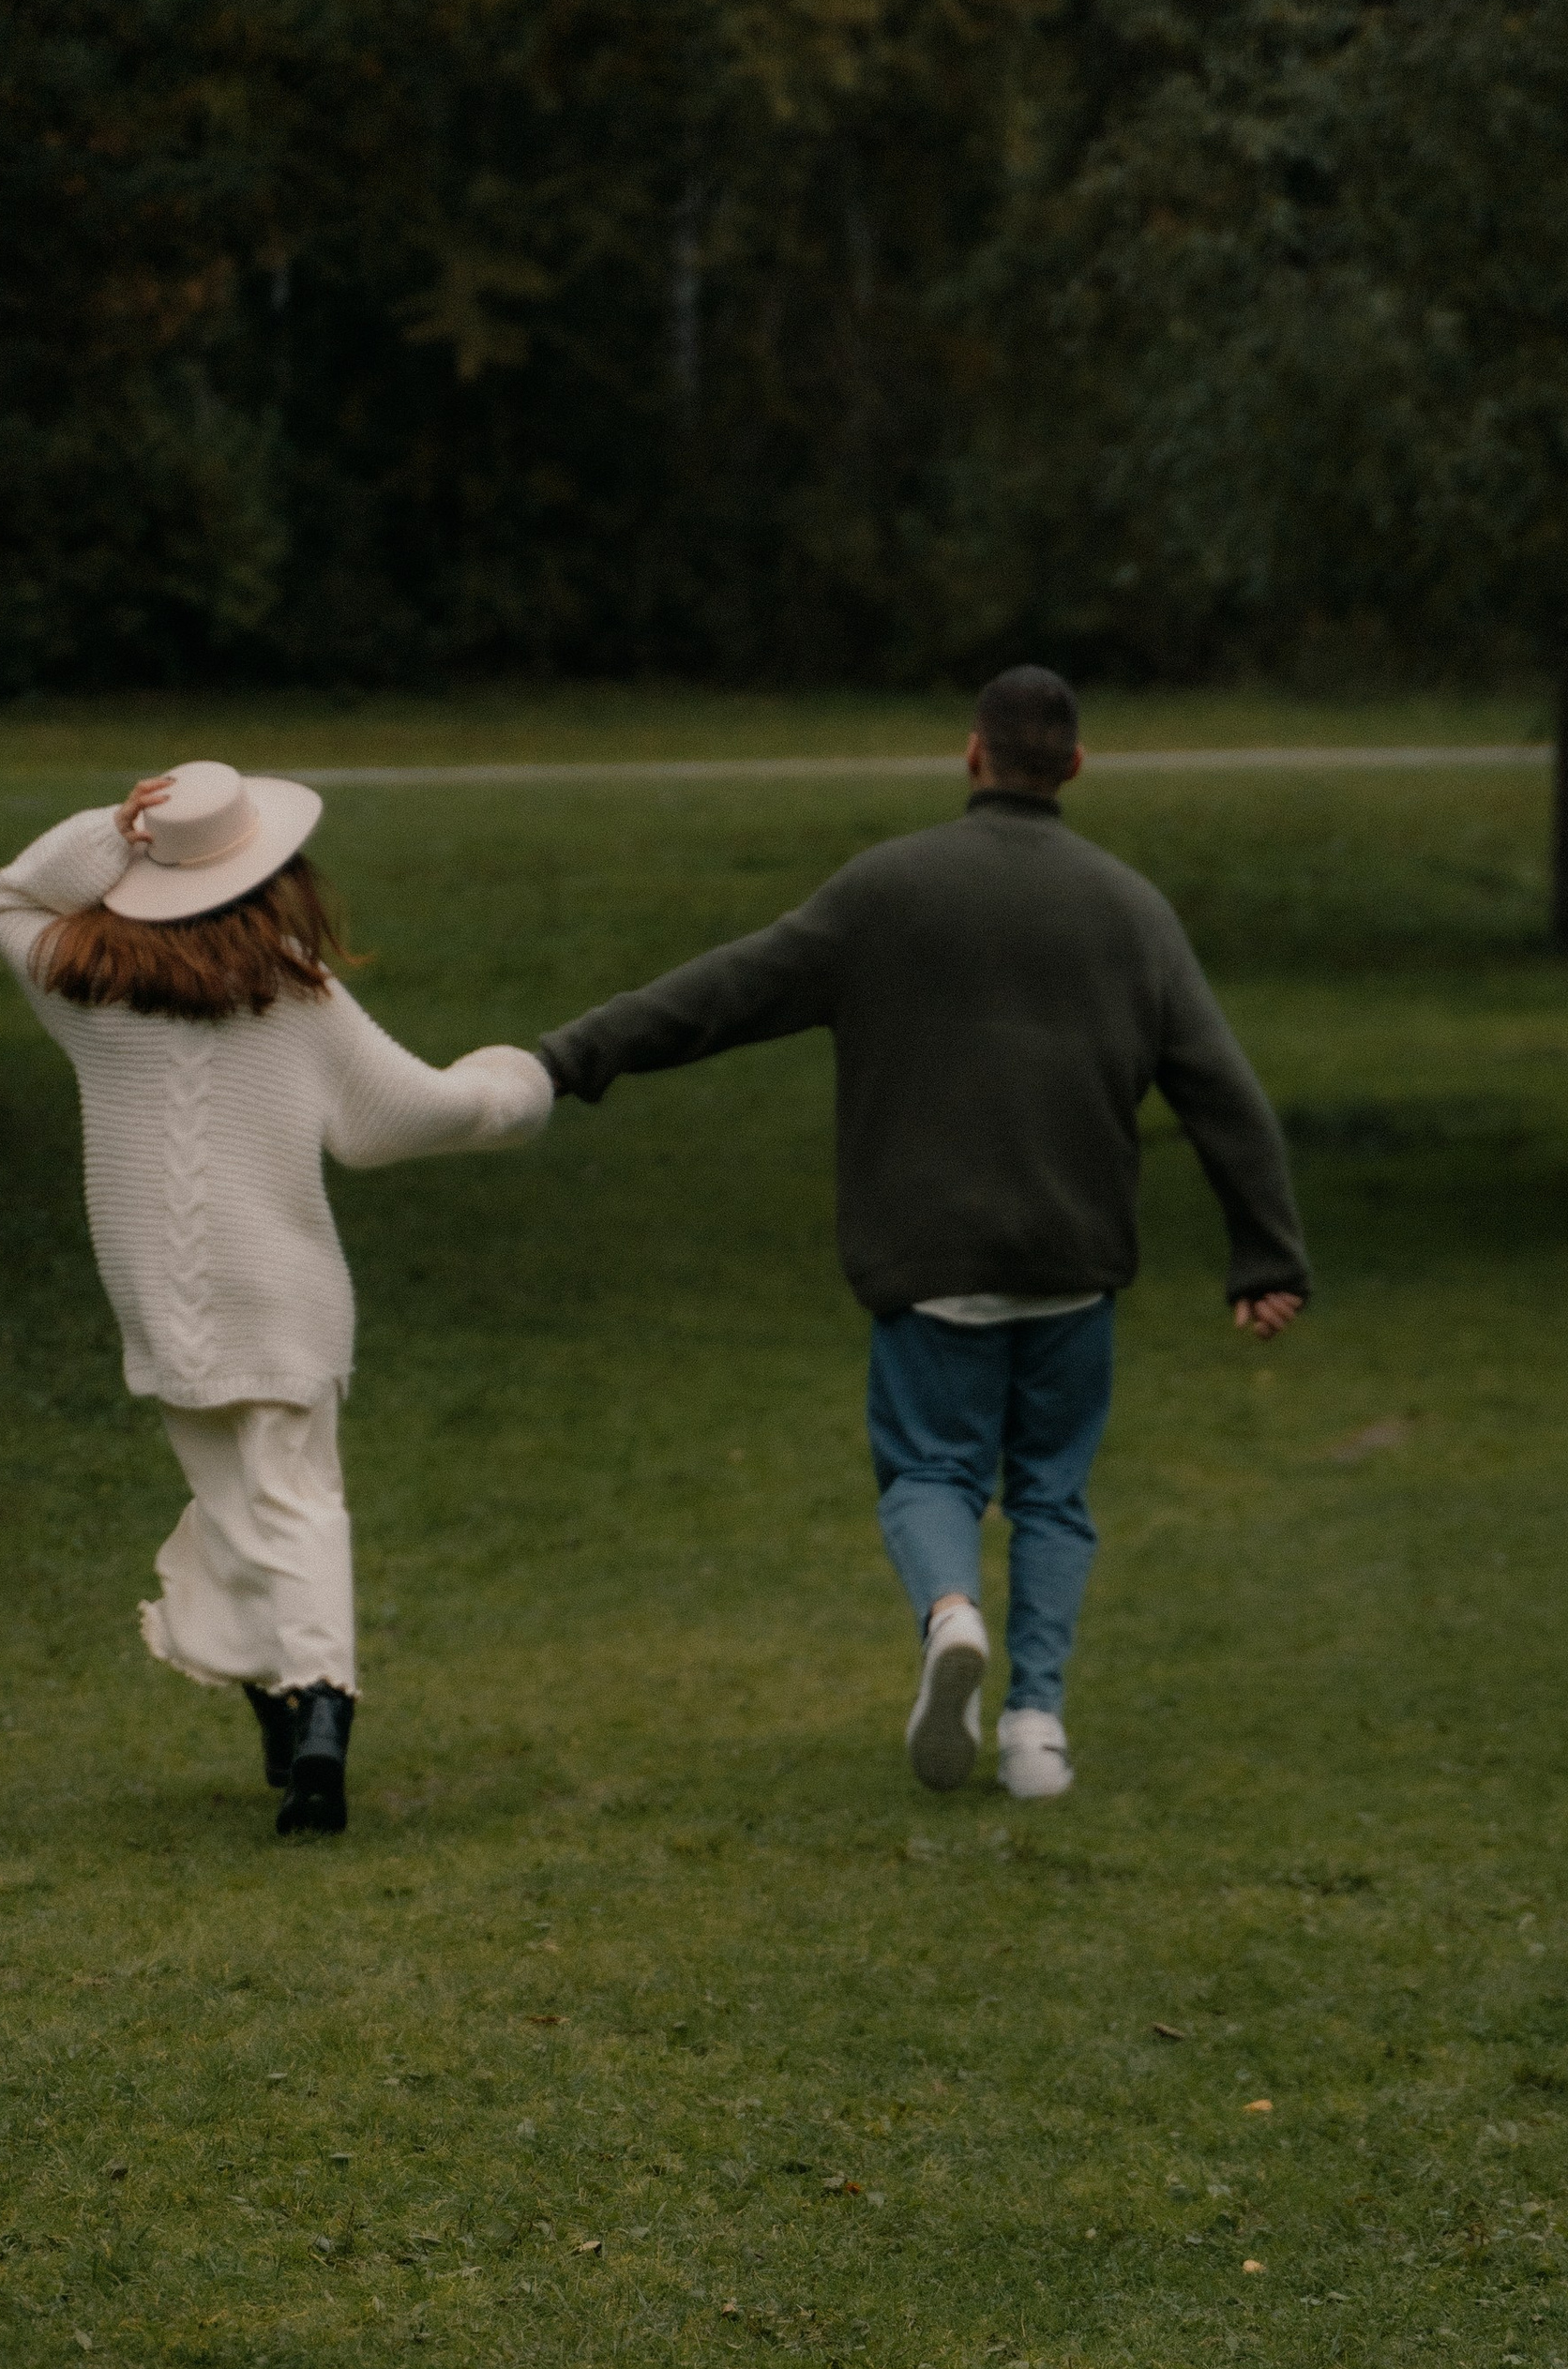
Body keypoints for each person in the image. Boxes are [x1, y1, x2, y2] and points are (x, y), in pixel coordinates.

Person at [536, 667, 1308, 1798]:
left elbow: (726, 991)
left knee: (929, 1473)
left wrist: (569, 1057)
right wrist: (1266, 1254)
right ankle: (1036, 1727)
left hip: (928, 1259)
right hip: (1072, 1259)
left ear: (971, 754)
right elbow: (1223, 1091)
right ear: (1076, 768)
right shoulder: (1131, 908)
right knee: (1051, 1492)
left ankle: (951, 1614)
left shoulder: (886, 891)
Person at [0, 760, 550, 1834]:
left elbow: (7, 893)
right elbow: (398, 1117)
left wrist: (112, 828)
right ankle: (319, 1710)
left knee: (235, 1503)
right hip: (283, 1287)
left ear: (154, 868)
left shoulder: (84, 982)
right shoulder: (292, 989)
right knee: (291, 1498)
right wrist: (511, 1088)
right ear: (266, 870)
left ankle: (287, 1713)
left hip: (157, 1289)